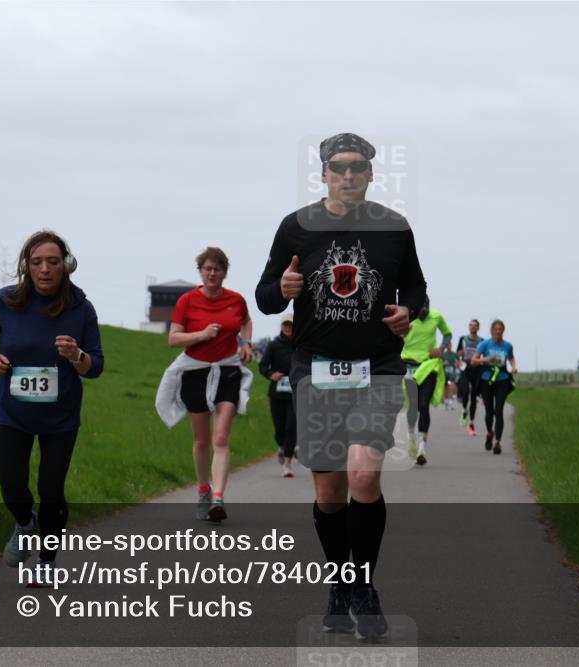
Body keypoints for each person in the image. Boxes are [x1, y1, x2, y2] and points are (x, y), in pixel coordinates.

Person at [255, 132, 427, 642]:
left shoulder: (394, 228)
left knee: (363, 476)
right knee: (329, 492)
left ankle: (364, 587)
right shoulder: (297, 227)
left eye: (357, 167)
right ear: (324, 173)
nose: (348, 175)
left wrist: (408, 310)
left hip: (377, 366)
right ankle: (338, 582)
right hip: (316, 369)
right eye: (338, 167)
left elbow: (416, 286)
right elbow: (265, 297)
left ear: (372, 174)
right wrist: (280, 290)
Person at [0, 230, 104, 587]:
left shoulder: (81, 308)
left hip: (60, 417)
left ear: (66, 265)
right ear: (26, 266)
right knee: (12, 488)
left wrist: (76, 355)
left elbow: (97, 365)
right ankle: (25, 523)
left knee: (51, 488)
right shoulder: (7, 300)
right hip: (13, 412)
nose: (45, 269)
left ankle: (46, 561)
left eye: (53, 261)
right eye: (36, 262)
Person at [156, 247, 254, 523]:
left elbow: (245, 322)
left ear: (224, 272)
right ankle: (203, 490)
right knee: (201, 441)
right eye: (207, 269)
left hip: (227, 371)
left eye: (217, 269)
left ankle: (219, 498)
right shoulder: (187, 301)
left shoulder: (236, 300)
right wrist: (201, 334)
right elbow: (173, 339)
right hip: (195, 372)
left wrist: (245, 343)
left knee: (221, 437)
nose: (212, 273)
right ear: (200, 271)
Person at [400, 297, 452, 465]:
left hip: (428, 365)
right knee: (413, 406)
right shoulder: (406, 318)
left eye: (426, 312)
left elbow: (447, 334)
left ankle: (422, 447)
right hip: (409, 366)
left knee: (424, 405)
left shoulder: (436, 316)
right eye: (421, 312)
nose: (423, 314)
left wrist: (442, 348)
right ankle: (411, 437)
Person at [471, 319, 518, 454]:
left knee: (499, 410)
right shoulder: (484, 344)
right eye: (495, 329)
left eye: (500, 329)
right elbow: (474, 360)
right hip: (487, 380)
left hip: (502, 379)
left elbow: (511, 357)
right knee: (489, 412)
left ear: (503, 330)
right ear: (492, 330)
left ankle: (497, 442)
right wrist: (485, 359)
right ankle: (489, 433)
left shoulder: (508, 345)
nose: (498, 331)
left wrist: (513, 367)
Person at [259, 313, 297, 477]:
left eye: (291, 325)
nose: (288, 328)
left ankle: (287, 464)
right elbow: (262, 366)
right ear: (282, 326)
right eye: (286, 325)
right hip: (277, 393)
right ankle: (282, 446)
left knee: (291, 427)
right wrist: (271, 374)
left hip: (296, 393)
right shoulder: (274, 345)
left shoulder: (301, 345)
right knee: (279, 428)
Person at [456, 319, 484, 436]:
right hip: (465, 368)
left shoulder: (482, 341)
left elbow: (485, 354)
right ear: (469, 327)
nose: (472, 327)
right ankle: (464, 409)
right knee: (465, 391)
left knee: (473, 396)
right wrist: (459, 355)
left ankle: (471, 422)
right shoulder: (463, 339)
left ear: (478, 328)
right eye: (471, 325)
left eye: (475, 326)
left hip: (477, 369)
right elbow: (457, 353)